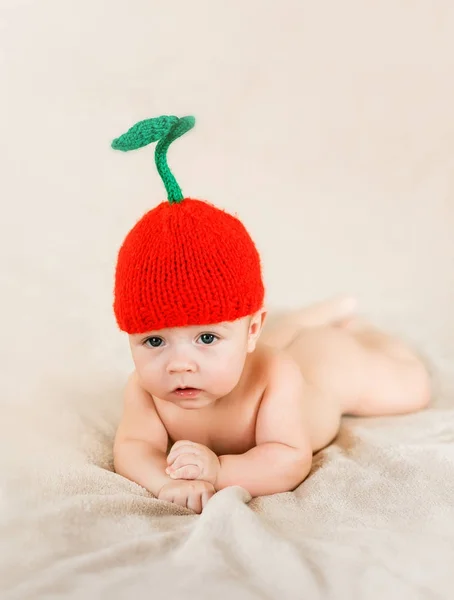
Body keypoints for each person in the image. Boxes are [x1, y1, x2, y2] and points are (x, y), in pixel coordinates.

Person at [111, 116, 430, 514]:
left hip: (324, 368)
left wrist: (218, 470)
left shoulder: (276, 376)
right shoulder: (143, 389)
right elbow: (133, 449)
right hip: (259, 344)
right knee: (282, 331)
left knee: (410, 389)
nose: (179, 364)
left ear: (250, 330)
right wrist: (163, 483)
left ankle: (358, 329)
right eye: (154, 340)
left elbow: (288, 458)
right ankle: (307, 316)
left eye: (206, 338)